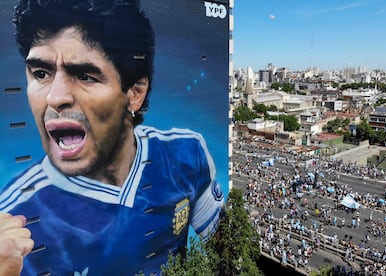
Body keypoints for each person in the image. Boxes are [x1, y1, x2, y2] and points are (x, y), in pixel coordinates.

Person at [0, 0, 224, 275]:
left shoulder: (186, 154)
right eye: (41, 73)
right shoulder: (13, 217)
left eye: (85, 75)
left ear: (135, 93)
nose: (55, 97)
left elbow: (225, 251)